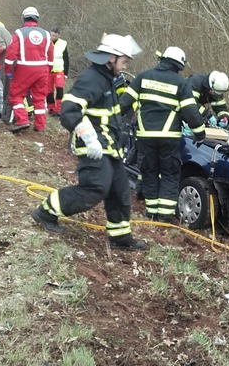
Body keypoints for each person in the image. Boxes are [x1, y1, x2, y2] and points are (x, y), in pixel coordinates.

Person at [32, 33, 147, 250]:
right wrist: (89, 137)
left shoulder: (107, 79)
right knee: (95, 188)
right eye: (124, 61)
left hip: (110, 147)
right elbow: (69, 110)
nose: (124, 67)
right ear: (112, 58)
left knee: (119, 191)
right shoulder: (91, 79)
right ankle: (46, 211)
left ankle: (120, 237)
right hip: (94, 147)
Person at [119, 46, 206, 222]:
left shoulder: (143, 77)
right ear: (179, 65)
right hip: (169, 138)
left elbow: (123, 103)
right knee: (169, 173)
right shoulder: (180, 83)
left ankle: (151, 211)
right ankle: (165, 215)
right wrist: (200, 133)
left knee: (149, 171)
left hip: (145, 137)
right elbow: (191, 112)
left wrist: (110, 121)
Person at [5, 7, 53, 133]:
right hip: (42, 69)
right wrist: (48, 70)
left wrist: (8, 70)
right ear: (37, 18)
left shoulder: (19, 33)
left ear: (24, 18)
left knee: (16, 94)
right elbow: (51, 55)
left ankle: (22, 120)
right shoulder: (46, 34)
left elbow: (11, 54)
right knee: (40, 97)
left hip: (24, 68)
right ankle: (40, 125)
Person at [47, 27, 69, 115]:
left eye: (55, 36)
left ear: (58, 35)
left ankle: (59, 108)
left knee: (60, 89)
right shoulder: (46, 42)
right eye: (52, 35)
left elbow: (66, 58)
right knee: (49, 91)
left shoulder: (63, 43)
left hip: (59, 70)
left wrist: (66, 73)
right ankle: (51, 108)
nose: (53, 37)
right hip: (48, 70)